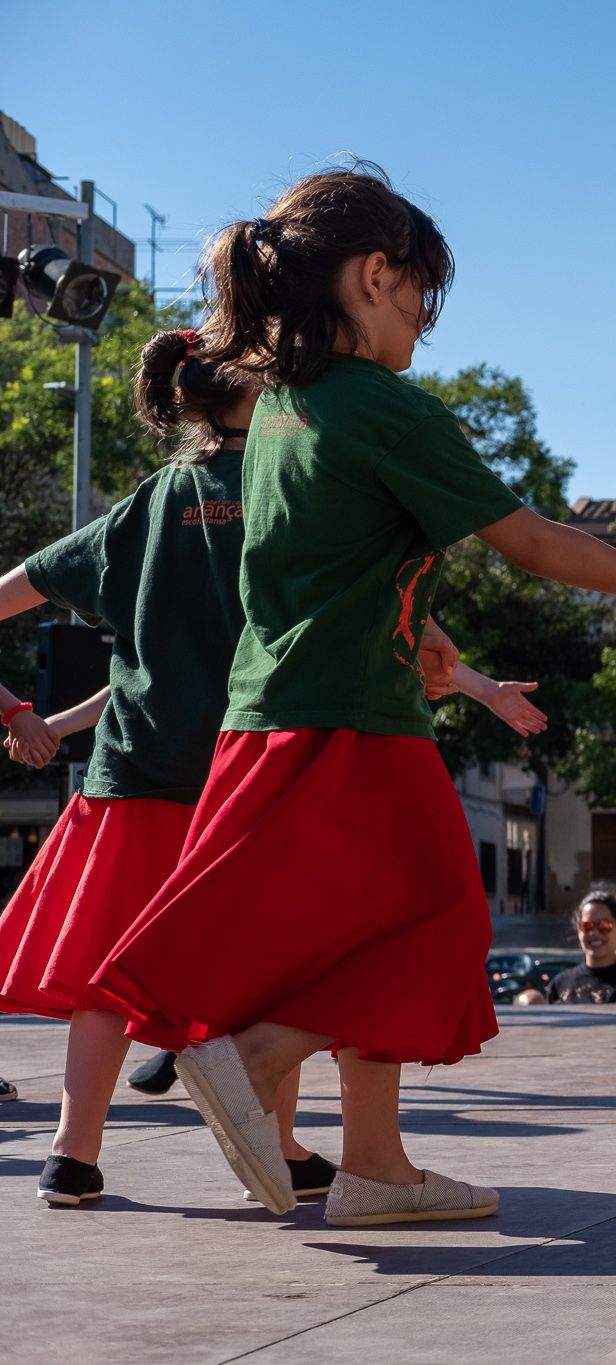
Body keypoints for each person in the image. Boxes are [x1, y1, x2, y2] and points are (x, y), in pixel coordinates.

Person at [91, 166, 616, 1226]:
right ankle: (253, 1063)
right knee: (432, 914)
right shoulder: (382, 408)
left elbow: (329, 561)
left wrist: (426, 640)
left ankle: (376, 1170)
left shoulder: (282, 413)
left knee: (377, 928)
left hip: (280, 707)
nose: (423, 328)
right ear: (373, 274)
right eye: (419, 302)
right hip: (353, 712)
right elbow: (529, 542)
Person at [0, 331, 337, 1208]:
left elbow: (16, 588)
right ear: (257, 400)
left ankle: (71, 1155)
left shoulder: (152, 501)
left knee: (105, 968)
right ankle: (282, 1144)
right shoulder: (289, 491)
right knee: (267, 969)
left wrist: (12, 708)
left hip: (136, 764)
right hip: (248, 770)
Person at [545, 894, 616, 1004]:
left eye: (605, 926)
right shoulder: (560, 983)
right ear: (579, 930)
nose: (595, 933)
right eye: (587, 926)